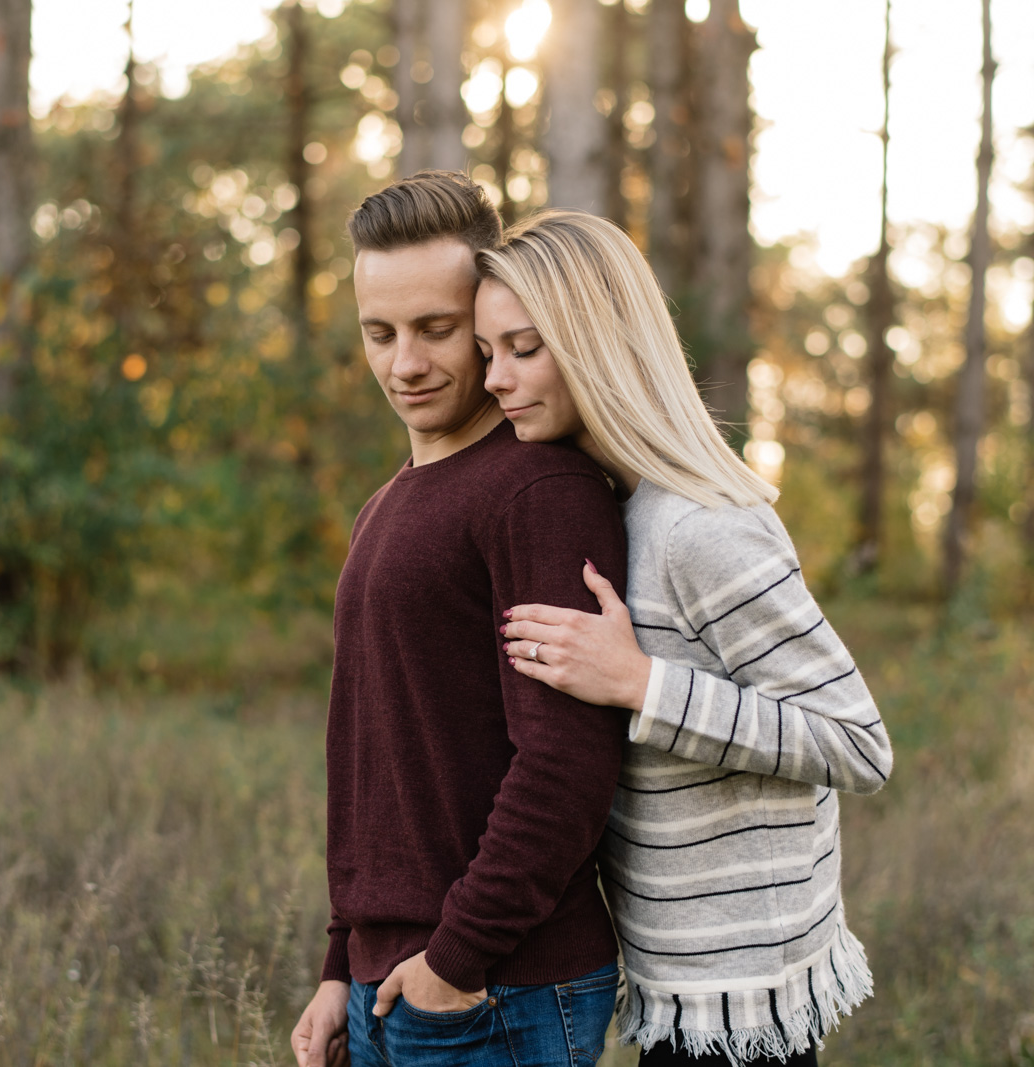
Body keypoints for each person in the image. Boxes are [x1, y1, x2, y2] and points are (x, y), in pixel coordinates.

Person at [477, 210, 894, 1066]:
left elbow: (859, 743)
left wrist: (642, 685)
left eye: (524, 347)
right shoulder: (623, 508)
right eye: (488, 353)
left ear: (597, 342)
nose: (495, 378)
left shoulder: (700, 526)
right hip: (678, 988)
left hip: (744, 1006)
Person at [290, 174, 629, 1067]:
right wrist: (340, 963)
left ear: (484, 317)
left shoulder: (539, 491)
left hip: (495, 989)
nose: (405, 362)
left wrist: (456, 959)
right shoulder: (388, 502)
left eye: (436, 330)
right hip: (389, 983)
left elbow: (568, 758)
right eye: (380, 332)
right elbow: (371, 754)